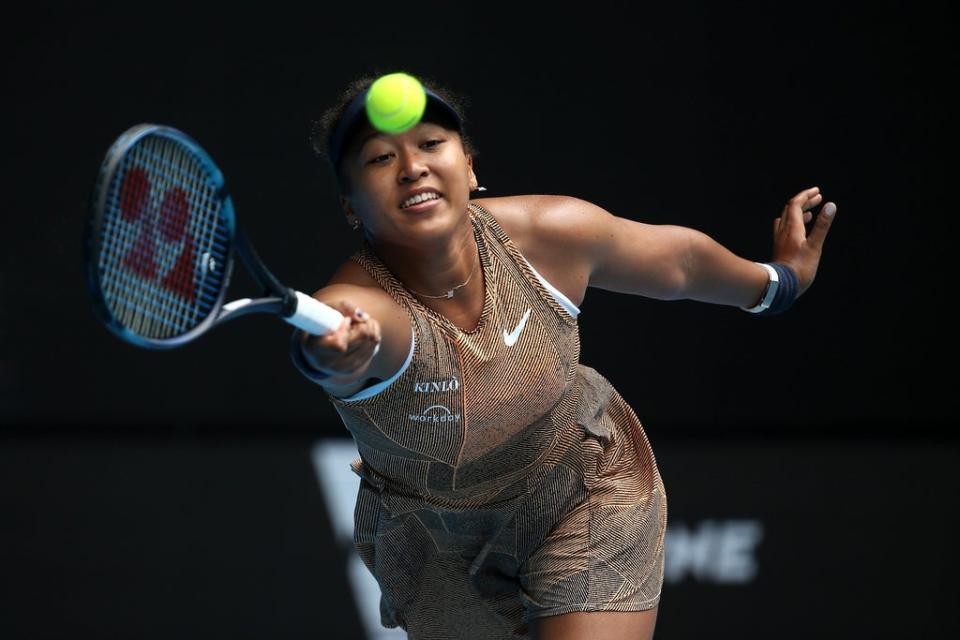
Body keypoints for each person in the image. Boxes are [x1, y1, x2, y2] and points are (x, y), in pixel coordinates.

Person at [289, 72, 837, 640]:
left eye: (431, 144)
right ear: (350, 206)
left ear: (469, 167)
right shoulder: (358, 305)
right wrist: (336, 354)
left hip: (581, 484)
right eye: (379, 159)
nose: (413, 166)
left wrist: (779, 281)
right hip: (437, 547)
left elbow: (681, 264)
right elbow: (356, 336)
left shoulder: (549, 235)